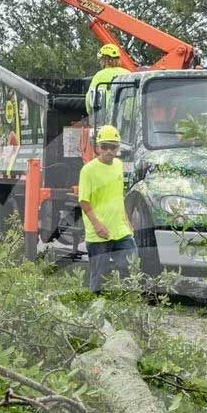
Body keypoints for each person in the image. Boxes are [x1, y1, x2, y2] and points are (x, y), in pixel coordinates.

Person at [78, 125, 135, 292]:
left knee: (131, 265)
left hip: (120, 230)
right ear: (97, 148)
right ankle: (95, 310)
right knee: (99, 276)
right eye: (105, 146)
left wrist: (127, 221)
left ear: (118, 148)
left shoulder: (118, 165)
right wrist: (97, 225)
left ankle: (127, 302)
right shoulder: (88, 170)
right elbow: (84, 201)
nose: (109, 151)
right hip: (99, 234)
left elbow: (118, 195)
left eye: (113, 146)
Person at [86, 43, 123, 113]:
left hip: (107, 118)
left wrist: (92, 115)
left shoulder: (99, 75)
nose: (100, 62)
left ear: (106, 59)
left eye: (101, 59)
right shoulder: (128, 74)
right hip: (129, 120)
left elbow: (89, 99)